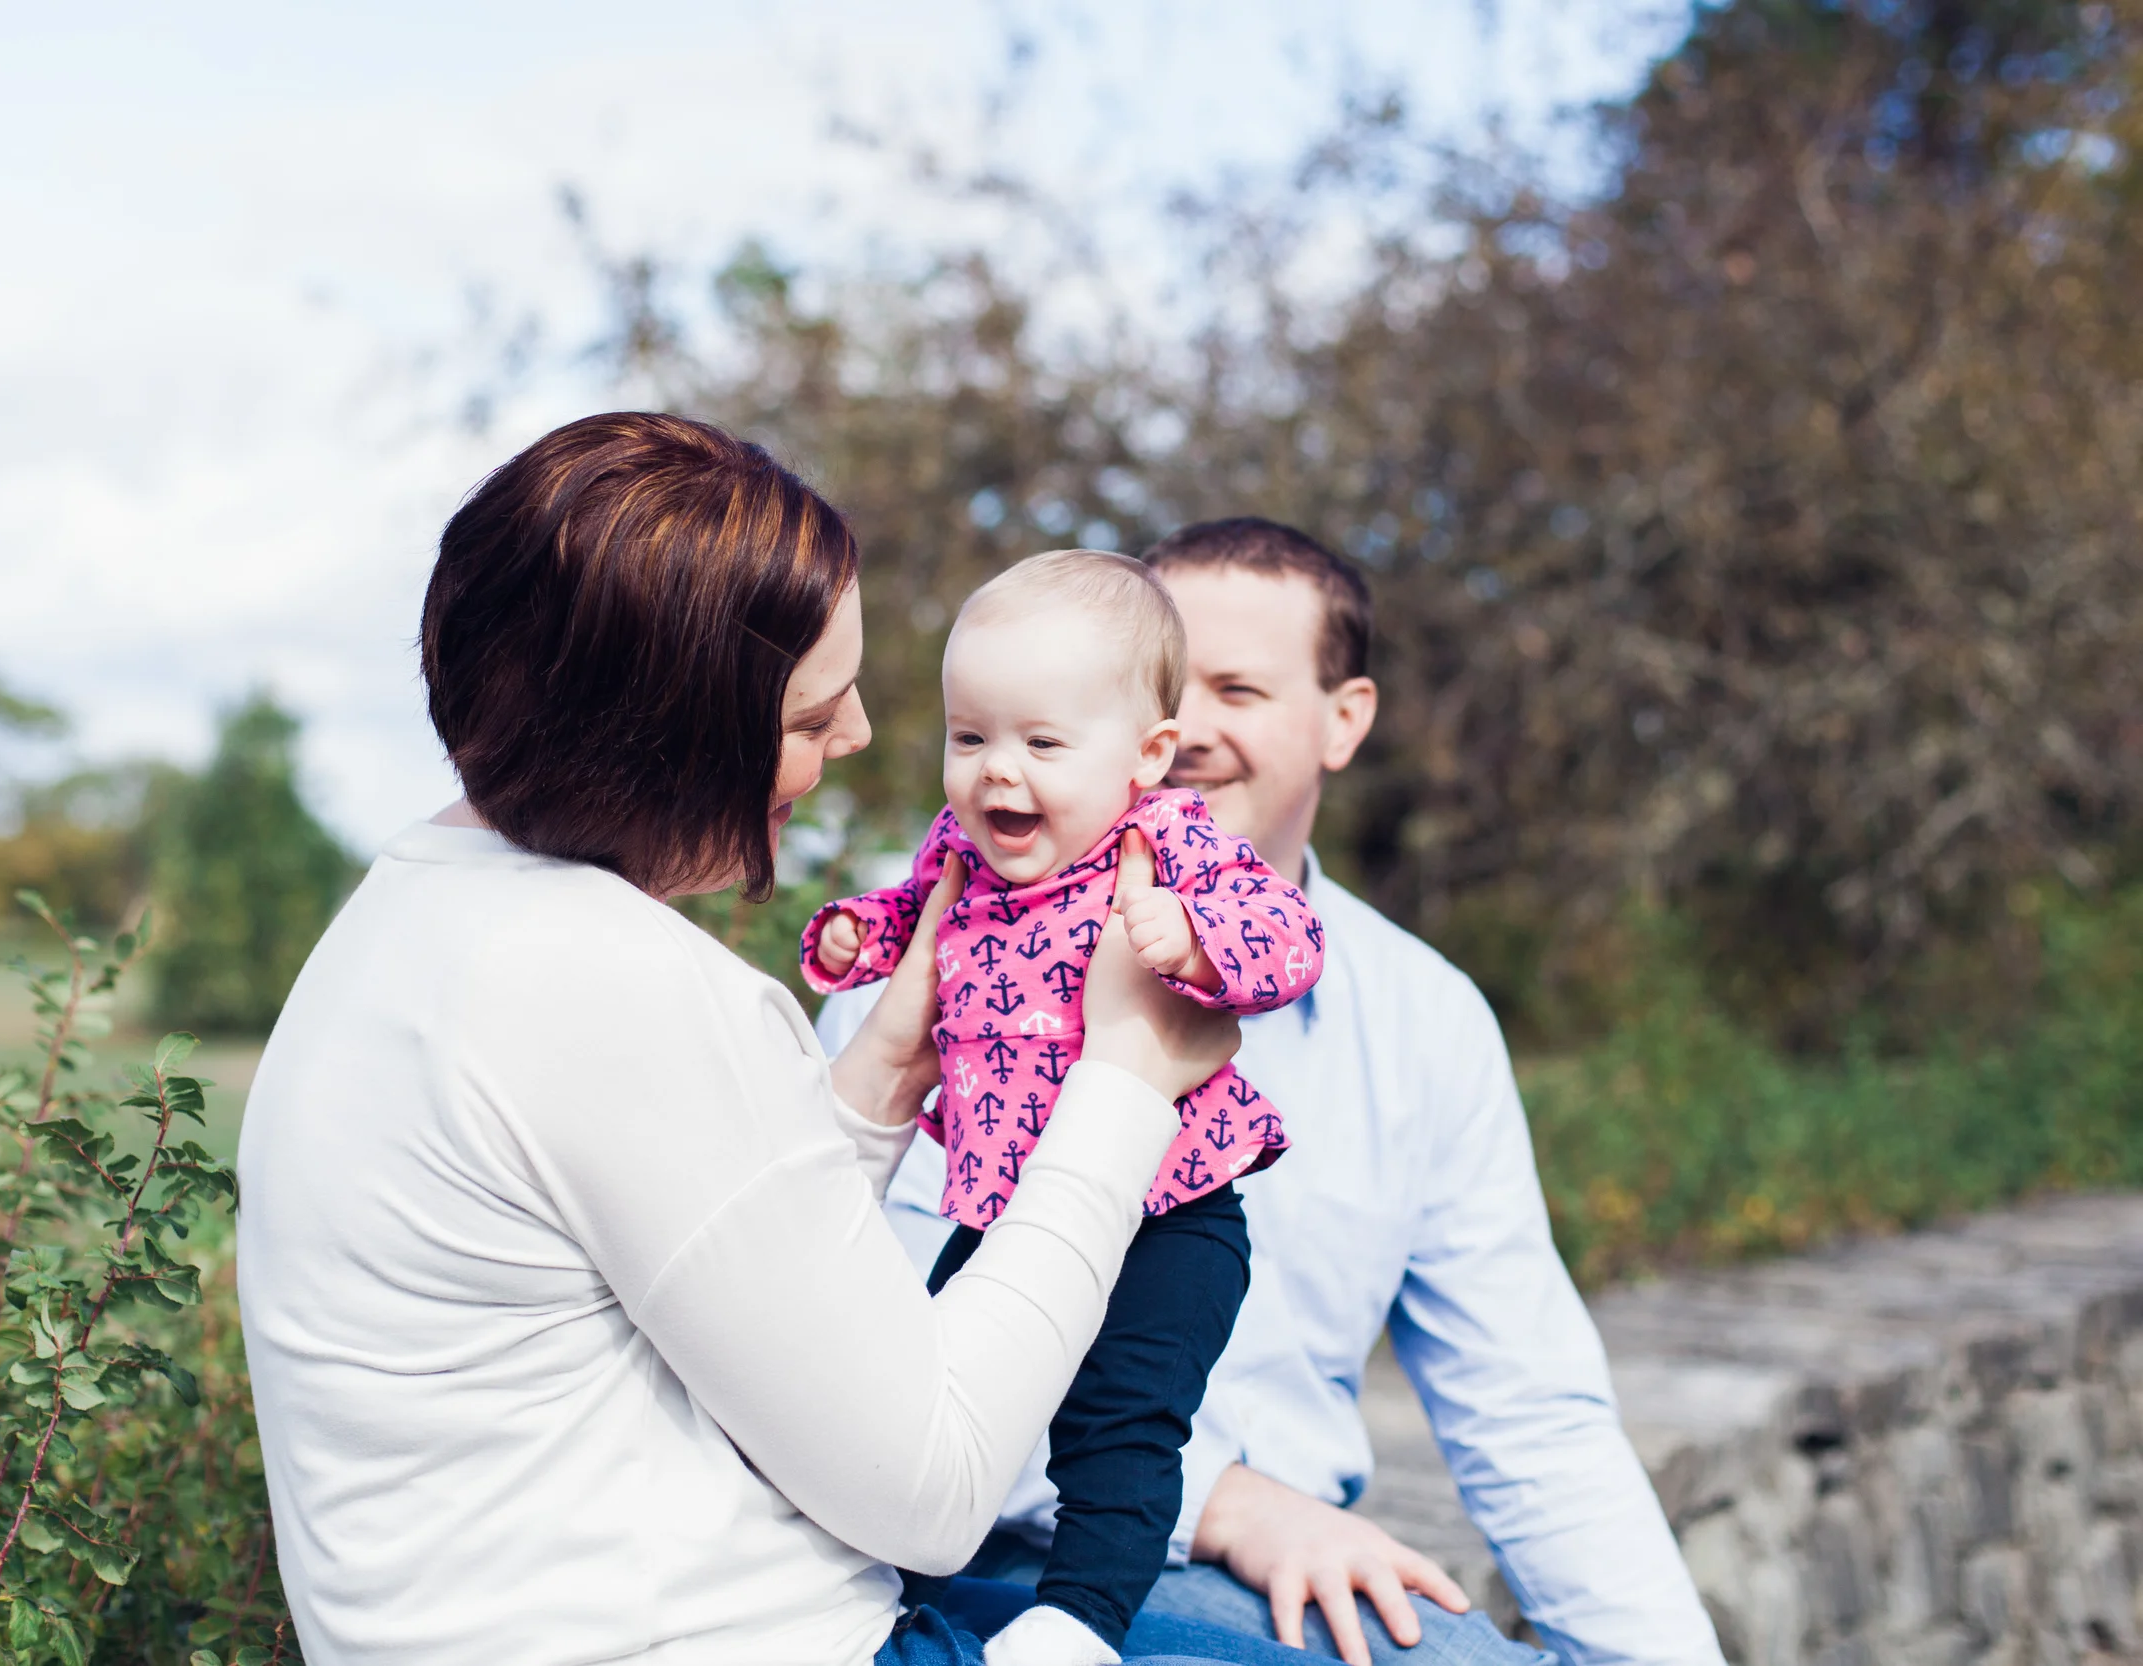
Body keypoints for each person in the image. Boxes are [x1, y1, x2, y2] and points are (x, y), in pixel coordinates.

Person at [235, 416, 1343, 1666]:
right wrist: (1127, 1076)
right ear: (675, 733)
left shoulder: (415, 920)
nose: (862, 734)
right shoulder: (610, 985)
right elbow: (933, 1490)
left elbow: (725, 1267)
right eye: (814, 713)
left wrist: (879, 1071)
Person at [820, 519, 1725, 1666]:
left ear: (1342, 720)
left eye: (1234, 688)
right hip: (982, 1550)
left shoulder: (1423, 1018)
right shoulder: (948, 945)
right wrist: (1230, 1504)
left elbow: (1526, 1401)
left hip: (1263, 1585)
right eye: (1160, 679)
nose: (1186, 728)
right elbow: (863, 1336)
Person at [799, 550, 1323, 1664]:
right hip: (1005, 1208)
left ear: (1144, 756)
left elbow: (1288, 938)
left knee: (1118, 1427)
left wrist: (1197, 944)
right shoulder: (962, 855)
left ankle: (1080, 1619)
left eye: (1042, 744)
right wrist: (855, 935)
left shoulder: (1169, 844)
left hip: (1171, 1214)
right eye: (970, 737)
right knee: (925, 1383)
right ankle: (872, 1589)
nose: (999, 775)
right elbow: (907, 919)